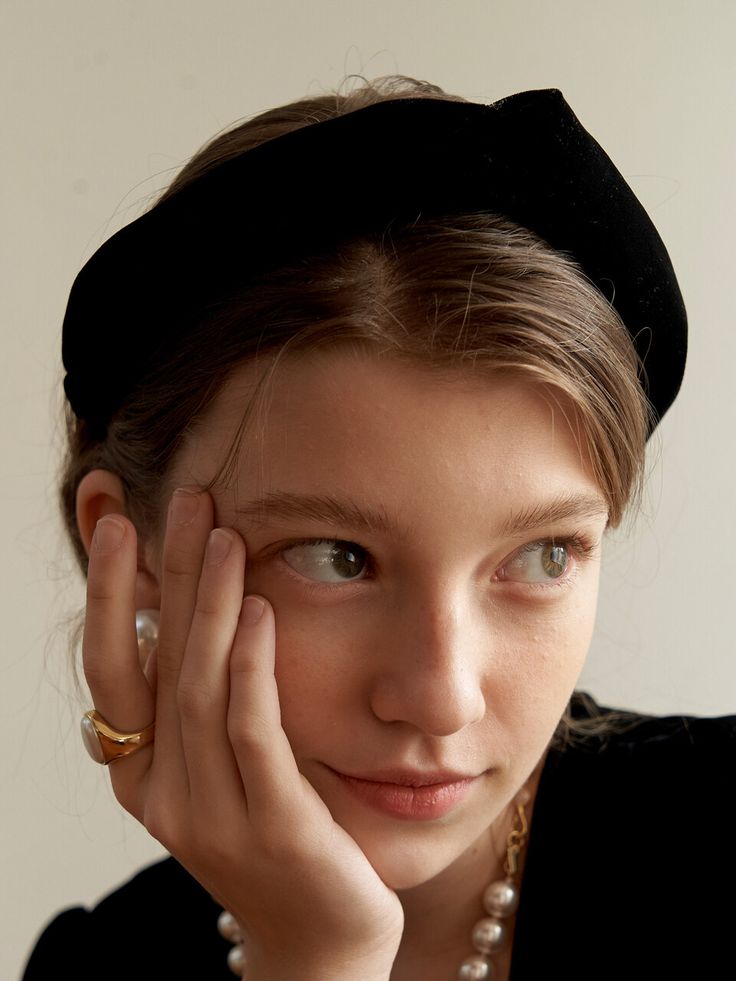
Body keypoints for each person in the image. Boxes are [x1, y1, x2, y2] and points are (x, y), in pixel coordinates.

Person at [22, 75, 735, 981]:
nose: (442, 698)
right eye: (338, 558)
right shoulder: (98, 965)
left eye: (544, 554)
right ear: (131, 545)